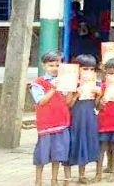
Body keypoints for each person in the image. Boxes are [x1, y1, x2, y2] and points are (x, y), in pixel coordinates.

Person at [32, 51, 72, 186]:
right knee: (41, 154)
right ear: (44, 66)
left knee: (58, 154)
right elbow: (41, 101)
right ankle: (38, 180)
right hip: (46, 124)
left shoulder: (65, 82)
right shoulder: (38, 83)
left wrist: (74, 92)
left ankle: (54, 180)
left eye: (57, 65)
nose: (54, 68)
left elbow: (67, 102)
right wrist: (53, 88)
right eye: (51, 65)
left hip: (61, 123)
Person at [67, 55, 101, 183]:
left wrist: (99, 95)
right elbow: (68, 104)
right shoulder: (72, 83)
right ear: (78, 69)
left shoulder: (96, 83)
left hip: (90, 115)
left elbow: (97, 105)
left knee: (86, 142)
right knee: (74, 141)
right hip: (76, 115)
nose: (88, 72)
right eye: (85, 69)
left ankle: (82, 175)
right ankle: (68, 176)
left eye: (91, 69)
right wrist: (76, 94)